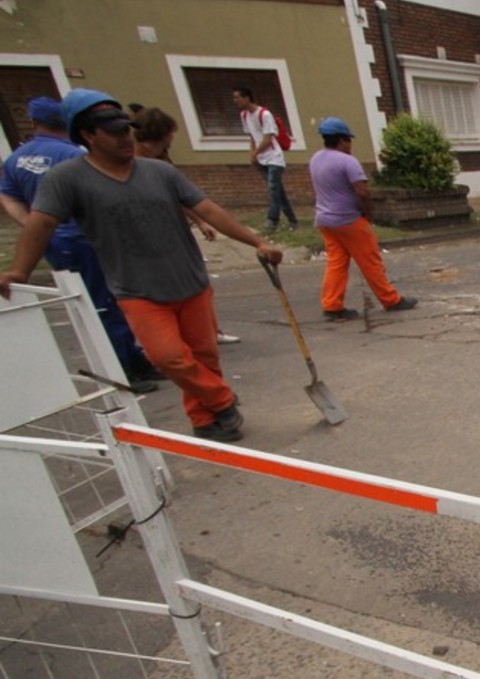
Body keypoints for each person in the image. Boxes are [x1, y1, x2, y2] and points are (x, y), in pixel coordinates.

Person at [0, 89, 285, 442]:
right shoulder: (67, 178)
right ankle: (223, 400)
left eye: (126, 129)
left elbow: (208, 208)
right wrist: (20, 271)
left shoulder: (159, 172)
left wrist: (257, 241)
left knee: (204, 356)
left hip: (190, 280)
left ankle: (205, 419)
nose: (124, 137)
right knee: (169, 358)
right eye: (113, 131)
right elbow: (40, 224)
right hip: (137, 289)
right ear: (88, 135)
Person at [0, 96, 163, 392]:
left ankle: (132, 361)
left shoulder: (16, 158)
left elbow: (8, 196)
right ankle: (125, 368)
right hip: (87, 239)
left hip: (56, 242)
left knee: (94, 303)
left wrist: (30, 224)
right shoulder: (73, 157)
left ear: (34, 122)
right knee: (107, 303)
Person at [130, 105, 240, 345]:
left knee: (196, 286)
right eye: (167, 140)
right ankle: (161, 340)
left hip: (174, 238)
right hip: (144, 243)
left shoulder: (162, 167)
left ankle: (207, 331)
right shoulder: (129, 167)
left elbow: (188, 199)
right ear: (155, 138)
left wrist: (199, 221)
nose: (169, 146)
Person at [307, 116, 417, 321]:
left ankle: (332, 305)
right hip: (348, 219)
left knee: (336, 263)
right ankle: (390, 299)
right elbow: (363, 192)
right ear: (342, 140)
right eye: (349, 140)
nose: (350, 144)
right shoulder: (347, 161)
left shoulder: (316, 159)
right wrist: (368, 214)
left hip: (325, 220)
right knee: (370, 261)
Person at [232, 85, 298, 232]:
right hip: (261, 158)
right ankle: (292, 219)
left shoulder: (265, 114)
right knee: (278, 191)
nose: (235, 101)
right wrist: (252, 154)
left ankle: (272, 220)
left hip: (274, 158)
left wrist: (255, 152)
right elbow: (252, 136)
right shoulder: (244, 116)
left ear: (247, 97)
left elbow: (268, 139)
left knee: (273, 188)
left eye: (238, 97)